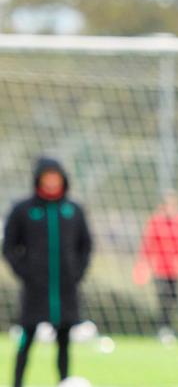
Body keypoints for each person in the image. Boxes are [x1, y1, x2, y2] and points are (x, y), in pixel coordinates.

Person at [2, 157, 93, 387]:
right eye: (47, 177)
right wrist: (23, 271)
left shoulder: (73, 210)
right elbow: (9, 246)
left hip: (65, 289)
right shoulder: (23, 209)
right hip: (35, 289)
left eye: (55, 177)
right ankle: (17, 383)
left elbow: (86, 245)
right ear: (39, 179)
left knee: (64, 341)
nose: (51, 182)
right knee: (27, 338)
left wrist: (77, 272)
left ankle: (64, 381)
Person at [133, 190, 178, 338]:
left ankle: (170, 328)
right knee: (163, 298)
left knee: (174, 299)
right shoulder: (155, 222)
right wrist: (143, 265)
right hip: (160, 269)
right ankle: (163, 329)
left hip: (176, 271)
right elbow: (147, 245)